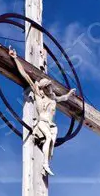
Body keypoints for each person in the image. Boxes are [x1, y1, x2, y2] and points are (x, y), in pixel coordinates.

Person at [8, 48, 76, 176]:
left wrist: (70, 94)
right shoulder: (39, 95)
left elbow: (64, 98)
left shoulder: (53, 98)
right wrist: (15, 58)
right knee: (49, 138)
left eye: (51, 87)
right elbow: (25, 75)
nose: (51, 89)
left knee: (50, 145)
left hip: (52, 125)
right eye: (48, 87)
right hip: (42, 122)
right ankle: (45, 164)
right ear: (44, 88)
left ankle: (46, 162)